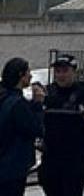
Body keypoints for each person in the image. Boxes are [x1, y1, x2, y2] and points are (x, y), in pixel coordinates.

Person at [39, 54, 84, 196]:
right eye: (58, 71)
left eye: (65, 71)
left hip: (75, 158)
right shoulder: (48, 92)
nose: (61, 75)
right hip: (51, 158)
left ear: (74, 71)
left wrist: (83, 113)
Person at [0, 58, 44, 196]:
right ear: (21, 75)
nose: (31, 76)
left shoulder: (4, 98)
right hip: (12, 167)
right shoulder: (17, 104)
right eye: (28, 72)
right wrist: (38, 104)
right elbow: (35, 128)